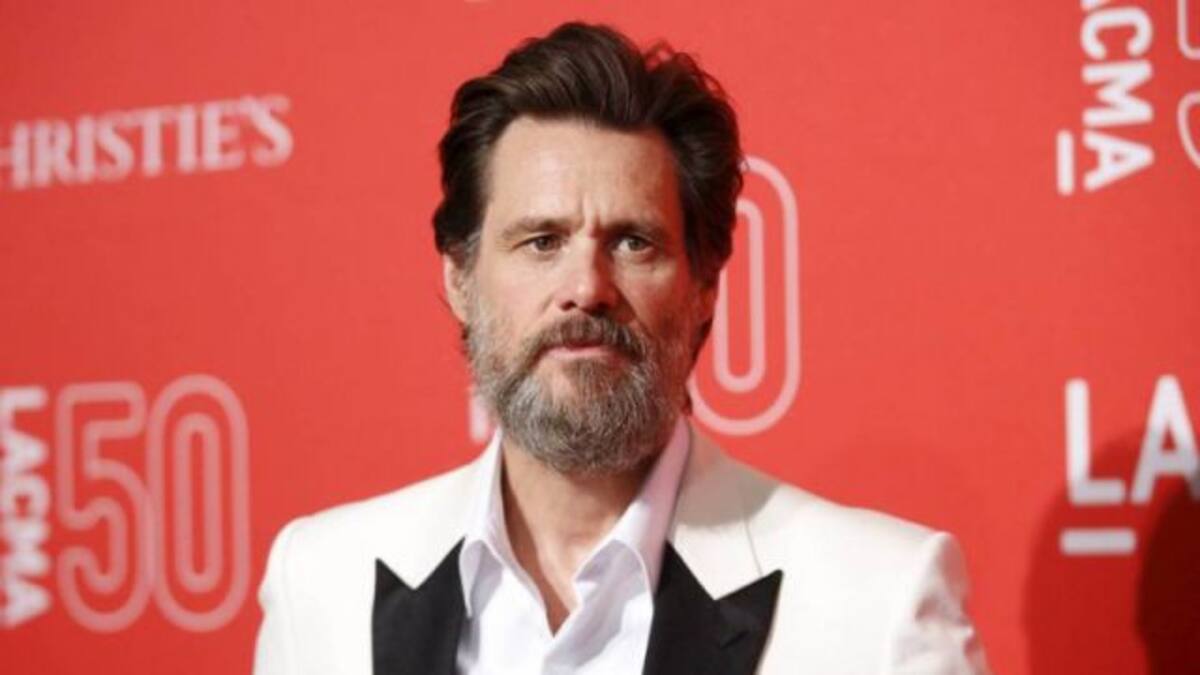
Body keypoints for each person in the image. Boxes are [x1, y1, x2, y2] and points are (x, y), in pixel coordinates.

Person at [253, 21, 990, 675]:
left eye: (634, 242)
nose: (587, 287)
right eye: (541, 241)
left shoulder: (879, 605)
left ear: (704, 286)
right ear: (459, 280)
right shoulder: (320, 582)